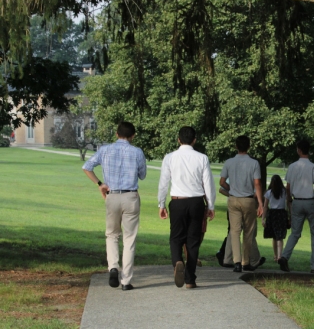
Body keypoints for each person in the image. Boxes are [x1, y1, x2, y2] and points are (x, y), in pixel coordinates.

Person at [82, 122, 146, 291]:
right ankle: (126, 281)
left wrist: (100, 183)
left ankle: (112, 267)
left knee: (111, 234)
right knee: (129, 238)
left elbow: (86, 167)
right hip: (130, 196)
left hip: (112, 195)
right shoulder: (137, 152)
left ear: (117, 134)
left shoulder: (104, 150)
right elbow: (143, 175)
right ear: (132, 136)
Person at [158, 126, 216, 288]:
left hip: (177, 201)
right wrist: (210, 205)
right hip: (196, 202)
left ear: (178, 139)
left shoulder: (169, 157)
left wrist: (161, 204)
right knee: (193, 241)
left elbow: (164, 183)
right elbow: (208, 183)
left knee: (176, 238)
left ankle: (177, 261)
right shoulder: (202, 158)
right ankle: (190, 279)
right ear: (194, 140)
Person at [278, 139, 314, 273]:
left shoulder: (292, 167)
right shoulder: (313, 167)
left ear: (299, 150)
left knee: (295, 233)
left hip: (296, 201)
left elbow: (288, 187)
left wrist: (289, 202)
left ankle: (285, 256)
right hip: (310, 201)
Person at [220, 135, 264, 273]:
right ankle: (246, 262)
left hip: (233, 199)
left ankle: (236, 262)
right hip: (248, 199)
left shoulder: (229, 162)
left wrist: (231, 188)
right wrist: (261, 203)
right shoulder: (254, 163)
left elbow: (222, 182)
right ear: (249, 146)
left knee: (234, 231)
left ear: (236, 146)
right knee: (248, 232)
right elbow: (257, 183)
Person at [262, 175, 289, 262]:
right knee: (279, 237)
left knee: (274, 236)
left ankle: (275, 255)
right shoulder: (284, 192)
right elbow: (288, 203)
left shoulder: (268, 192)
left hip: (272, 214)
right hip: (281, 214)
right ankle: (280, 256)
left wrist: (263, 218)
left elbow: (265, 206)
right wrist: (290, 216)